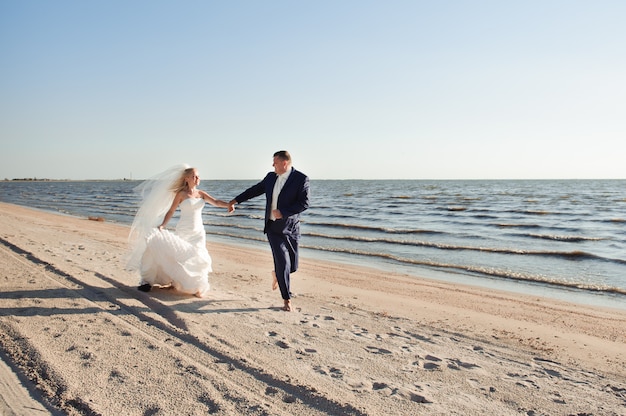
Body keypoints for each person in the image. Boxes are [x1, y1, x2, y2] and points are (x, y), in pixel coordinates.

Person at [127, 165, 231, 297]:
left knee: (199, 256)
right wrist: (163, 225)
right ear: (187, 179)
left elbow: (216, 202)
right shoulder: (181, 194)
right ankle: (174, 282)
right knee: (181, 257)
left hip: (198, 232)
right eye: (194, 176)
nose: (197, 178)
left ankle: (198, 286)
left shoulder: (201, 194)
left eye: (198, 176)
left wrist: (228, 204)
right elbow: (171, 210)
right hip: (184, 230)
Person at [228, 151, 310, 311]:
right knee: (283, 263)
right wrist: (235, 200)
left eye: (275, 162)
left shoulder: (301, 179)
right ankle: (287, 299)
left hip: (291, 229)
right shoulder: (270, 177)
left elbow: (304, 203)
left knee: (293, 266)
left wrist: (284, 212)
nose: (273, 165)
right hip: (273, 228)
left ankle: (277, 274)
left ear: (284, 163)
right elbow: (254, 190)